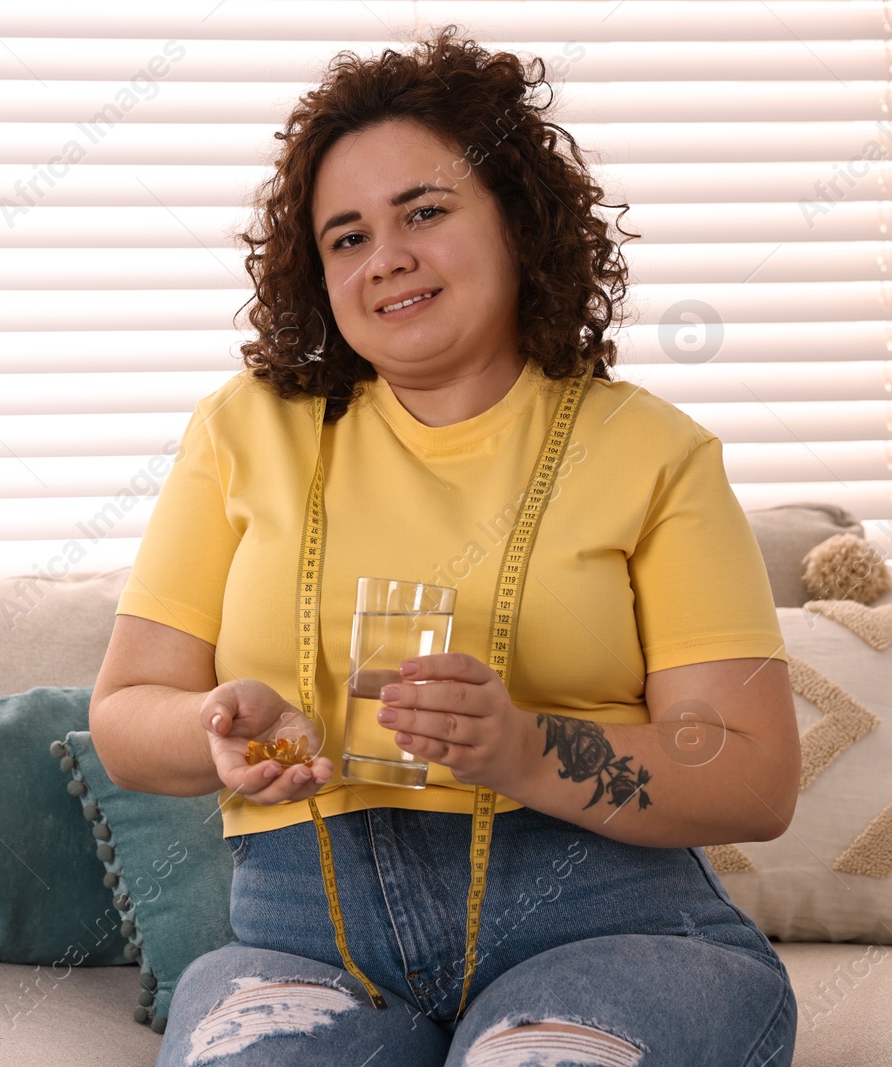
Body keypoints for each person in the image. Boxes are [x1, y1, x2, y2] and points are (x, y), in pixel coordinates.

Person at [88, 26, 803, 1067]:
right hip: (305, 939)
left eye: (423, 211)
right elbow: (121, 713)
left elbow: (751, 773)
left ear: (517, 220)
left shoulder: (651, 451)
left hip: (608, 923)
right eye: (346, 237)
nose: (387, 258)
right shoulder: (243, 430)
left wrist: (524, 748)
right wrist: (214, 730)